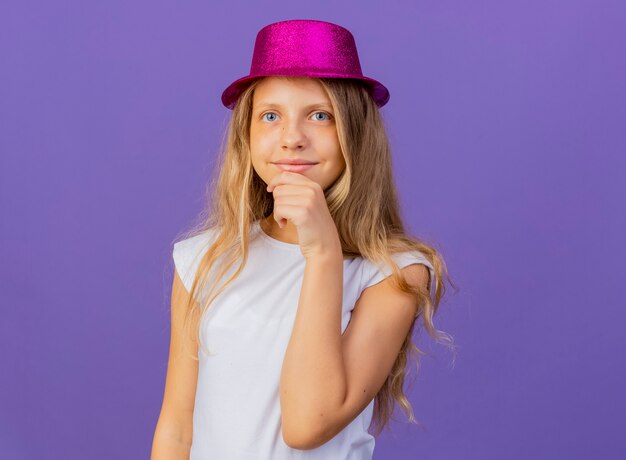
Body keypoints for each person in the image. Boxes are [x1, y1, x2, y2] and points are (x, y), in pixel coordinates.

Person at [151, 19, 455, 460]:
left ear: (354, 132)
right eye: (270, 116)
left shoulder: (395, 273)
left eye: (320, 115)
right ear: (247, 136)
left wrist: (323, 252)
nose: (292, 138)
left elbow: (306, 424)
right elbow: (177, 429)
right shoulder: (204, 258)